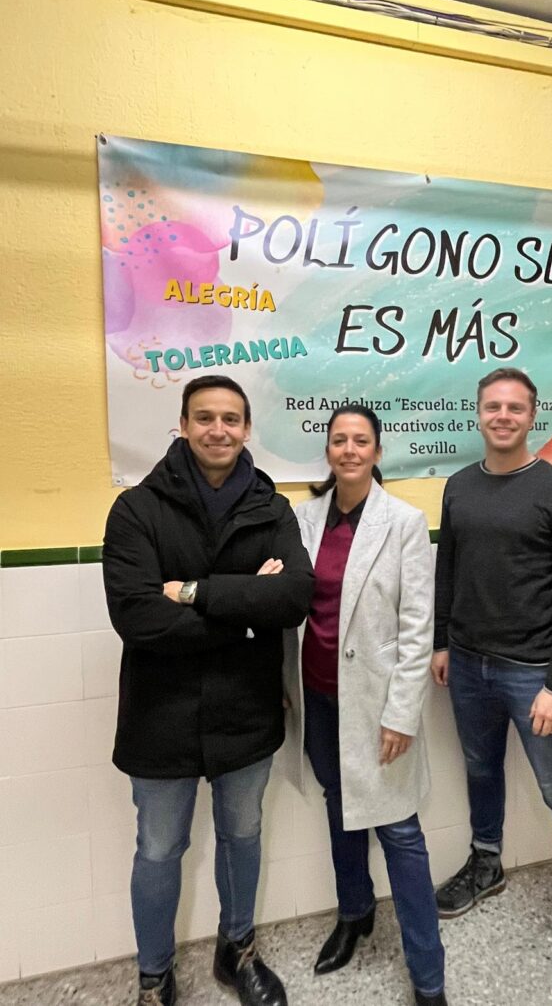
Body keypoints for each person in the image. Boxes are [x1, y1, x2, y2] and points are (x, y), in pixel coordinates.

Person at [102, 375, 314, 1006]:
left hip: (246, 708)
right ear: (183, 424)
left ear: (246, 429)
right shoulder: (136, 509)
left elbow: (293, 598)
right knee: (159, 848)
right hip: (159, 712)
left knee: (242, 836)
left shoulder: (272, 508)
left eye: (230, 419)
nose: (217, 429)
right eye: (204, 417)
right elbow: (137, 617)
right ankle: (154, 976)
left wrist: (193, 592)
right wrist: (246, 615)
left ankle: (237, 949)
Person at [431, 367, 552, 1006]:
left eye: (514, 407)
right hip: (468, 665)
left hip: (534, 674)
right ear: (477, 413)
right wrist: (442, 641)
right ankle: (486, 862)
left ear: (533, 416)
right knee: (481, 771)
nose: (502, 416)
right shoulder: (458, 486)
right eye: (492, 406)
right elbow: (447, 569)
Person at [283, 404, 447, 1006]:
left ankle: (428, 975)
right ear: (327, 451)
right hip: (318, 697)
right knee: (339, 805)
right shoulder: (302, 519)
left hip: (378, 706)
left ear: (377, 452)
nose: (349, 450)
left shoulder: (403, 521)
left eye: (360, 441)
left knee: (399, 830)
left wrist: (401, 714)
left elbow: (417, 627)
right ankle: (354, 912)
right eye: (338, 441)